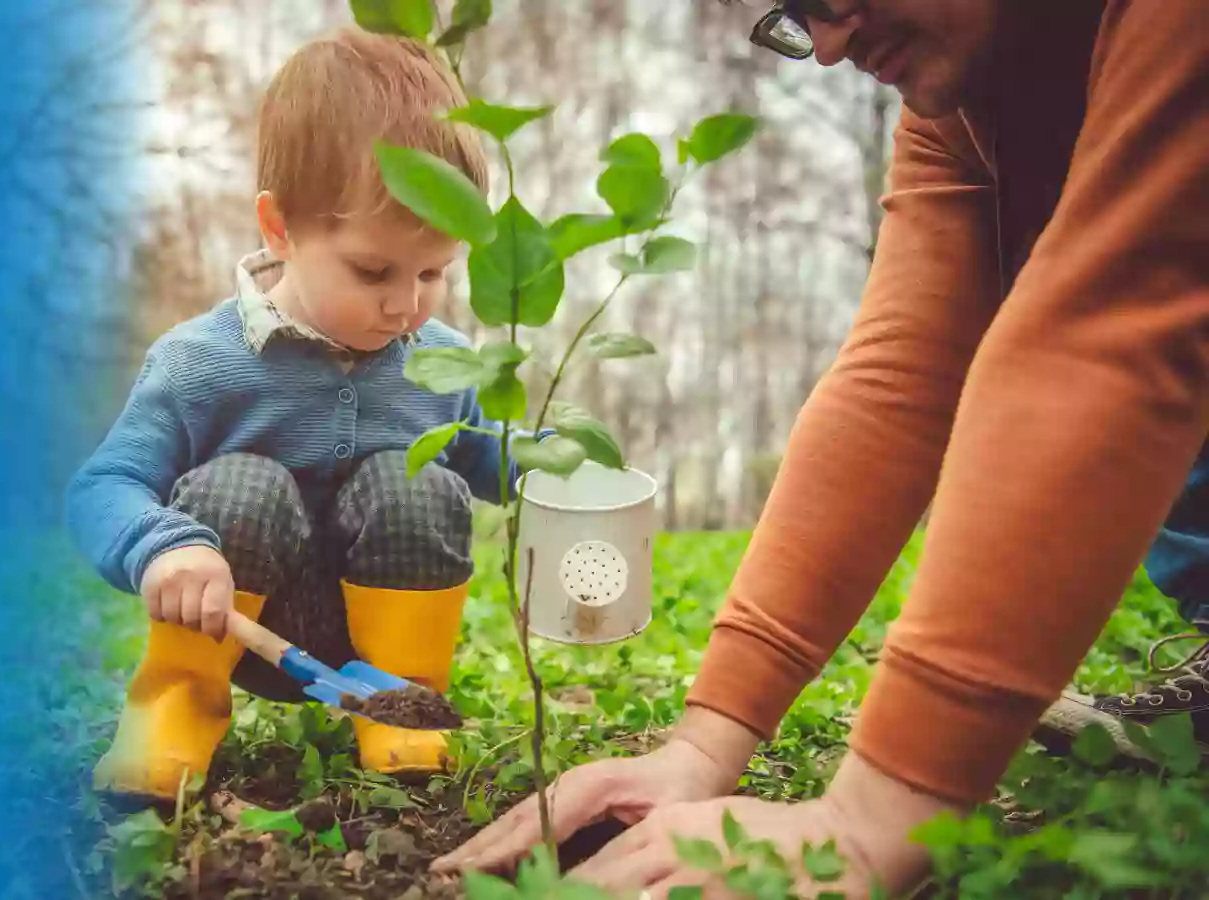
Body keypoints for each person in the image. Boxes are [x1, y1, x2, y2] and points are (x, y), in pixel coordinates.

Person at [432, 1, 1208, 896]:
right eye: (797, 13)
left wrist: (879, 813)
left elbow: (1118, 327)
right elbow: (902, 380)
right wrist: (704, 742)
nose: (831, 46)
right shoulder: (960, 105)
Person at [65, 27, 545, 808]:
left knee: (416, 476)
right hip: (240, 626)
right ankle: (174, 716)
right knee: (242, 485)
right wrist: (163, 551)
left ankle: (400, 714)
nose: (405, 303)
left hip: (380, 627)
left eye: (433, 272)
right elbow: (103, 485)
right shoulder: (199, 362)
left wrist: (549, 460)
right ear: (280, 228)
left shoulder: (440, 358)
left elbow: (480, 452)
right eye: (373, 270)